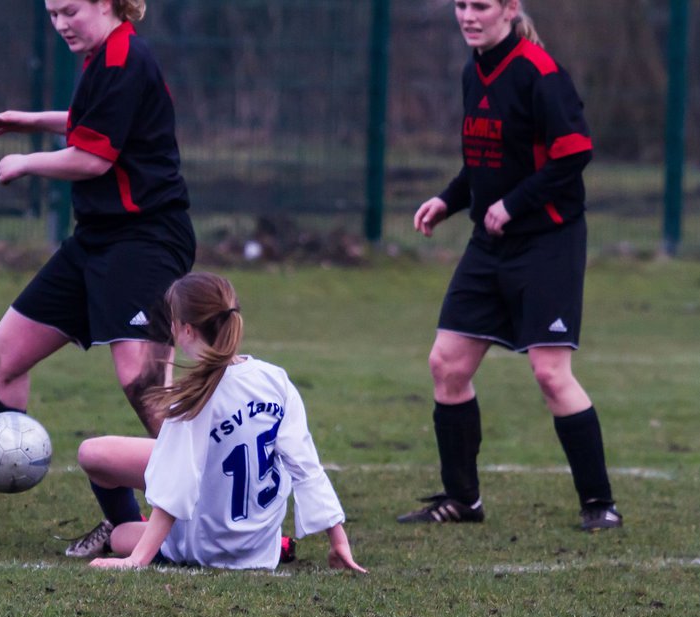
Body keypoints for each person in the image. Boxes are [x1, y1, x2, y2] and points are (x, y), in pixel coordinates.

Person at [0, 0, 195, 556]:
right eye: (52, 13)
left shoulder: (126, 57)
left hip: (145, 238)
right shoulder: (103, 56)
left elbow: (94, 158)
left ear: (107, 3)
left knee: (141, 379)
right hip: (98, 238)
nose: (61, 23)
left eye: (70, 10)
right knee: (7, 352)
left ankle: (207, 498)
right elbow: (94, 122)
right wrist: (34, 119)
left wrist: (26, 160)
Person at [398, 0, 623, 532]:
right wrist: (448, 200)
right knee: (446, 365)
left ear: (510, 9)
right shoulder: (473, 71)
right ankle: (462, 500)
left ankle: (599, 504)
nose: (468, 15)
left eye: (481, 5)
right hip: (490, 243)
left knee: (550, 374)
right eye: (460, 5)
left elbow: (574, 155)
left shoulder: (540, 73)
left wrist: (515, 204)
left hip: (548, 242)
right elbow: (484, 159)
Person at [79, 272, 365, 573]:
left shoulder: (192, 400)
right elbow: (305, 465)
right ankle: (276, 542)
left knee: (120, 533)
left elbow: (175, 483)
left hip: (206, 547)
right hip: (258, 549)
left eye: (173, 320)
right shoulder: (274, 379)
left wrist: (136, 559)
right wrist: (338, 540)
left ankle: (137, 535)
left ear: (186, 330)